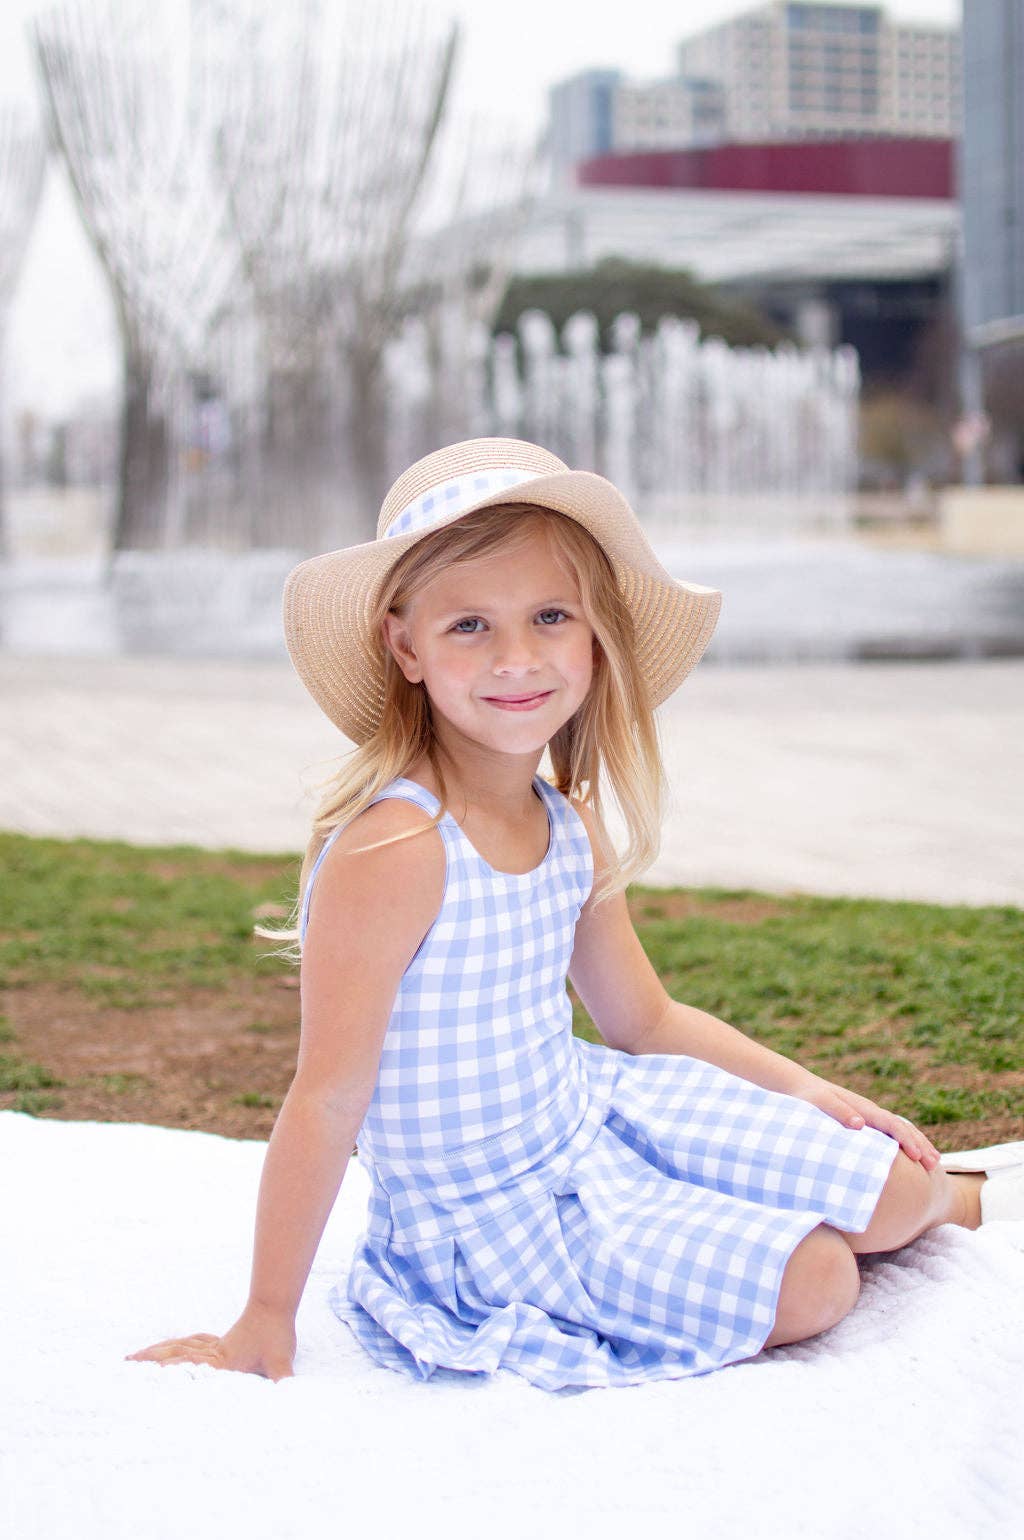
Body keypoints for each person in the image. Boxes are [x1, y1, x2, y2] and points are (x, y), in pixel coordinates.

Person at [127, 437, 1024, 1390]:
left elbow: (646, 1019)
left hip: (593, 1117)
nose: (518, 658)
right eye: (469, 624)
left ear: (594, 636)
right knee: (817, 1281)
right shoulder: (395, 850)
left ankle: (971, 1194)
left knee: (894, 1188)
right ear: (406, 646)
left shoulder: (567, 822)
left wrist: (811, 1094)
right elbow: (327, 1098)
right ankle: (772, 1220)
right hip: (493, 1217)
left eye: (550, 615)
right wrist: (264, 1319)